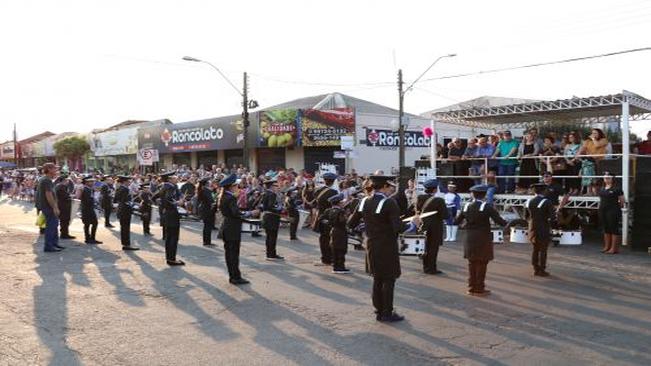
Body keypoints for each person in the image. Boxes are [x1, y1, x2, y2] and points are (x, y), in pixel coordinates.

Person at [348, 175, 413, 322]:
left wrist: (369, 227)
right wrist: (413, 224)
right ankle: (387, 313)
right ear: (384, 186)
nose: (391, 189)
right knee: (389, 280)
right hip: (387, 246)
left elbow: (351, 223)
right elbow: (398, 228)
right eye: (390, 186)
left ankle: (378, 310)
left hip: (371, 244)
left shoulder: (364, 201)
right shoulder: (390, 203)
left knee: (377, 278)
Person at [454, 184, 508, 296]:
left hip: (469, 237)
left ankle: (471, 287)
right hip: (483, 238)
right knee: (482, 263)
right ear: (484, 195)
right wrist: (507, 222)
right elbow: (500, 222)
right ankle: (479, 288)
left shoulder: (466, 206)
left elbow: (456, 222)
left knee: (471, 263)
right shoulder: (487, 207)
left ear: (472, 194)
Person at [218, 174, 258, 285]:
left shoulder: (224, 196)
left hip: (227, 227)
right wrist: (250, 213)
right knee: (233, 254)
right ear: (231, 186)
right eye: (236, 185)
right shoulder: (230, 197)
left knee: (229, 254)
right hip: (232, 228)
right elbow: (236, 213)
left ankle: (233, 276)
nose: (238, 187)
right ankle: (235, 277)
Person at [416, 179, 449, 274]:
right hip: (435, 227)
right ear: (435, 190)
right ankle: (431, 268)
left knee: (424, 247)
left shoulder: (420, 198)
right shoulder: (439, 200)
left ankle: (425, 267)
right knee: (433, 248)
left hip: (422, 225)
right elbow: (445, 215)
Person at [526, 183, 555, 277]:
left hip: (532, 226)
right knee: (543, 249)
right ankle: (542, 269)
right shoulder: (547, 202)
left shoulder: (529, 201)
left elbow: (526, 216)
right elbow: (552, 217)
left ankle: (535, 267)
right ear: (544, 191)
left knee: (535, 248)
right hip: (543, 227)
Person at [313, 172, 338, 266]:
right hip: (329, 217)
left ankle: (325, 258)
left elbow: (315, 203)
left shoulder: (318, 190)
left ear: (324, 181)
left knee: (323, 238)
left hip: (319, 216)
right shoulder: (334, 192)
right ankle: (329, 258)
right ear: (333, 181)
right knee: (329, 238)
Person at [160, 171, 184, 266]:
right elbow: (169, 200)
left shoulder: (164, 186)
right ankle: (172, 259)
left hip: (167, 214)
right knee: (173, 237)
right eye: (174, 177)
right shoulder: (170, 187)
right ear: (169, 179)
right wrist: (178, 202)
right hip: (172, 214)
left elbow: (156, 198)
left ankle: (169, 258)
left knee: (169, 237)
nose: (176, 178)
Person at [38, 163, 63, 252]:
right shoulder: (46, 180)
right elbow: (48, 195)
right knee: (51, 226)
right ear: (49, 169)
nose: (56, 170)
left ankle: (54, 244)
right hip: (48, 207)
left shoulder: (47, 179)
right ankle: (49, 246)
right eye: (55, 169)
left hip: (48, 207)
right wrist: (54, 207)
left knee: (54, 225)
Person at [598, 172, 624, 254]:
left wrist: (617, 209)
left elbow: (622, 201)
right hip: (603, 210)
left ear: (612, 178)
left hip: (613, 210)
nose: (606, 178)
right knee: (606, 228)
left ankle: (614, 248)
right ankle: (607, 247)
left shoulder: (617, 188)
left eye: (608, 177)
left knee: (613, 228)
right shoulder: (602, 188)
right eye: (605, 177)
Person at [324, 193, 351, 274]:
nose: (343, 203)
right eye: (341, 202)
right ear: (339, 203)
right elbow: (342, 221)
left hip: (333, 230)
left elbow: (323, 219)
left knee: (335, 249)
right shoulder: (341, 211)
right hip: (341, 231)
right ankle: (340, 267)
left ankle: (335, 267)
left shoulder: (330, 210)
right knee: (341, 249)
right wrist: (347, 216)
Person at [260, 178, 284, 261]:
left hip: (266, 217)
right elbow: (271, 206)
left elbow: (262, 206)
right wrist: (279, 208)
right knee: (272, 236)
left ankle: (269, 253)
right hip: (272, 217)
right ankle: (271, 254)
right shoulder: (272, 194)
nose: (276, 187)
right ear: (271, 186)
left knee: (269, 236)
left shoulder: (264, 193)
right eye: (275, 185)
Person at [114, 175, 139, 251]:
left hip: (122, 210)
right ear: (125, 182)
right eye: (129, 181)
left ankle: (125, 244)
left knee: (124, 228)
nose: (130, 182)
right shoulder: (124, 189)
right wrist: (133, 206)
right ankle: (126, 245)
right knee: (125, 228)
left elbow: (116, 200)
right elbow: (126, 201)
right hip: (125, 211)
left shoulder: (120, 188)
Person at [80, 175, 102, 244]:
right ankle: (88, 238)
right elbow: (87, 201)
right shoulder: (86, 190)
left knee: (93, 223)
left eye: (92, 181)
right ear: (86, 182)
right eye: (91, 182)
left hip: (90, 209)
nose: (92, 183)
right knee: (88, 224)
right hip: (87, 209)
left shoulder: (89, 189)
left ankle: (91, 238)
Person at [55, 174, 75, 240]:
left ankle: (64, 233)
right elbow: (65, 197)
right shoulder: (61, 187)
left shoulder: (59, 186)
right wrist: (71, 197)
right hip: (63, 206)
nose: (68, 181)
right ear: (64, 180)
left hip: (62, 205)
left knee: (64, 220)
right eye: (67, 180)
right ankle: (64, 234)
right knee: (64, 220)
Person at [197, 177, 216, 247]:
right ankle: (207, 242)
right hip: (207, 210)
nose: (210, 183)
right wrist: (214, 202)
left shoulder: (202, 189)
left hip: (204, 209)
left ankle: (206, 241)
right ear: (206, 183)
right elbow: (210, 200)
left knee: (206, 226)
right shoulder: (206, 190)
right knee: (208, 226)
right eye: (209, 182)